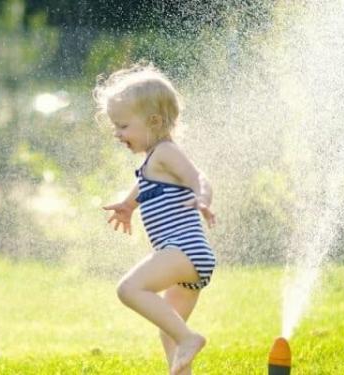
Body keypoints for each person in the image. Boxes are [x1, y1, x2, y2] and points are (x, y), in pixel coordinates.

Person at [96, 64, 217, 375]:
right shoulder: (153, 161)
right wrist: (127, 205)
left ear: (153, 121)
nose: (117, 134)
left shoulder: (164, 152)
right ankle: (183, 352)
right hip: (189, 260)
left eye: (122, 126)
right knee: (169, 331)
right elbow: (143, 188)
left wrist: (203, 197)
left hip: (183, 251)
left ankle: (190, 339)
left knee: (129, 289)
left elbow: (198, 177)